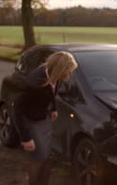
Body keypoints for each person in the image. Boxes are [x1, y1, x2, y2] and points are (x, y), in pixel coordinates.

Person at [12, 51, 78, 185]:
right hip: (31, 121)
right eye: (69, 71)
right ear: (60, 69)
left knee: (47, 157)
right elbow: (17, 110)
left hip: (43, 118)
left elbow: (52, 91)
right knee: (38, 159)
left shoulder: (54, 75)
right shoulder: (34, 84)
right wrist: (26, 138)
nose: (70, 75)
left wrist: (53, 108)